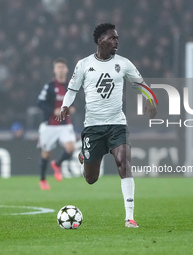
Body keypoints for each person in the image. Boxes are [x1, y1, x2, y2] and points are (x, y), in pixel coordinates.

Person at [57, 23, 156, 228]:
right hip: (93, 128)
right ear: (100, 40)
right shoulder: (84, 64)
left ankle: (129, 217)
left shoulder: (123, 63)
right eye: (112, 38)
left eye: (117, 38)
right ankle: (85, 156)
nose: (116, 42)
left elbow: (142, 84)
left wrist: (150, 98)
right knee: (90, 178)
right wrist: (65, 105)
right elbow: (72, 89)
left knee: (124, 163)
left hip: (117, 124)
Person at [37, 58, 76, 190]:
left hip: (65, 124)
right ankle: (42, 179)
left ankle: (58, 164)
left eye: (62, 67)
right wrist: (53, 110)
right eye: (58, 67)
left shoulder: (71, 86)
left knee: (71, 148)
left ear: (66, 69)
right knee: (46, 154)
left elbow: (77, 101)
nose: (60, 69)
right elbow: (40, 103)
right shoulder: (49, 86)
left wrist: (72, 108)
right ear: (54, 70)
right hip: (50, 125)